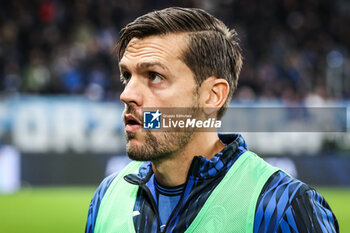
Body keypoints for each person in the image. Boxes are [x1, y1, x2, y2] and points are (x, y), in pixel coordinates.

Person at [86, 7, 338, 233]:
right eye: (126, 76)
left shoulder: (282, 207)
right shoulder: (107, 197)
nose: (127, 94)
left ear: (212, 95)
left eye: (154, 76)